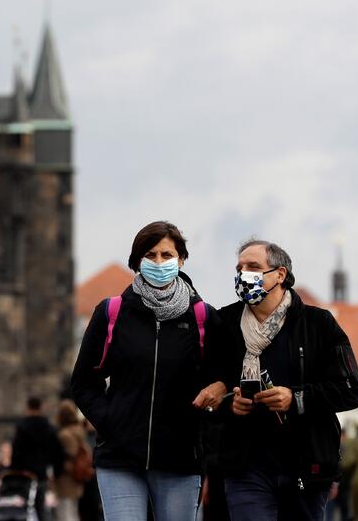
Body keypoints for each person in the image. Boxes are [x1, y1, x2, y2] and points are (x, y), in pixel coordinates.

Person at [71, 221, 228, 520]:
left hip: (180, 458)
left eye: (166, 255)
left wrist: (213, 401)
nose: (159, 262)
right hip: (120, 457)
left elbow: (224, 377)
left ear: (180, 260)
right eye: (150, 254)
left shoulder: (202, 317)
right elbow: (83, 382)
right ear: (137, 261)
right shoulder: (112, 313)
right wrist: (110, 421)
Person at [219, 238, 358, 521]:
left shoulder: (319, 324)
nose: (242, 274)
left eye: (253, 266)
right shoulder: (224, 324)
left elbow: (350, 390)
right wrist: (229, 404)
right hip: (245, 464)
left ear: (280, 275)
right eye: (239, 267)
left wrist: (295, 397)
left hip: (305, 464)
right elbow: (213, 384)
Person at [10, 396, 63, 520]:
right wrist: (57, 472)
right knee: (42, 509)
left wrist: (15, 471)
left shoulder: (21, 427)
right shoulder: (49, 428)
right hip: (43, 473)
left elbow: (16, 451)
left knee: (24, 508)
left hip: (25, 475)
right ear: (41, 407)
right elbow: (57, 453)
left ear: (28, 407)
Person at [54, 400, 89, 521]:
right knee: (73, 511)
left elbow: (70, 455)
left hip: (66, 478)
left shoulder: (65, 435)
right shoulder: (79, 430)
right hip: (78, 476)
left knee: (65, 512)